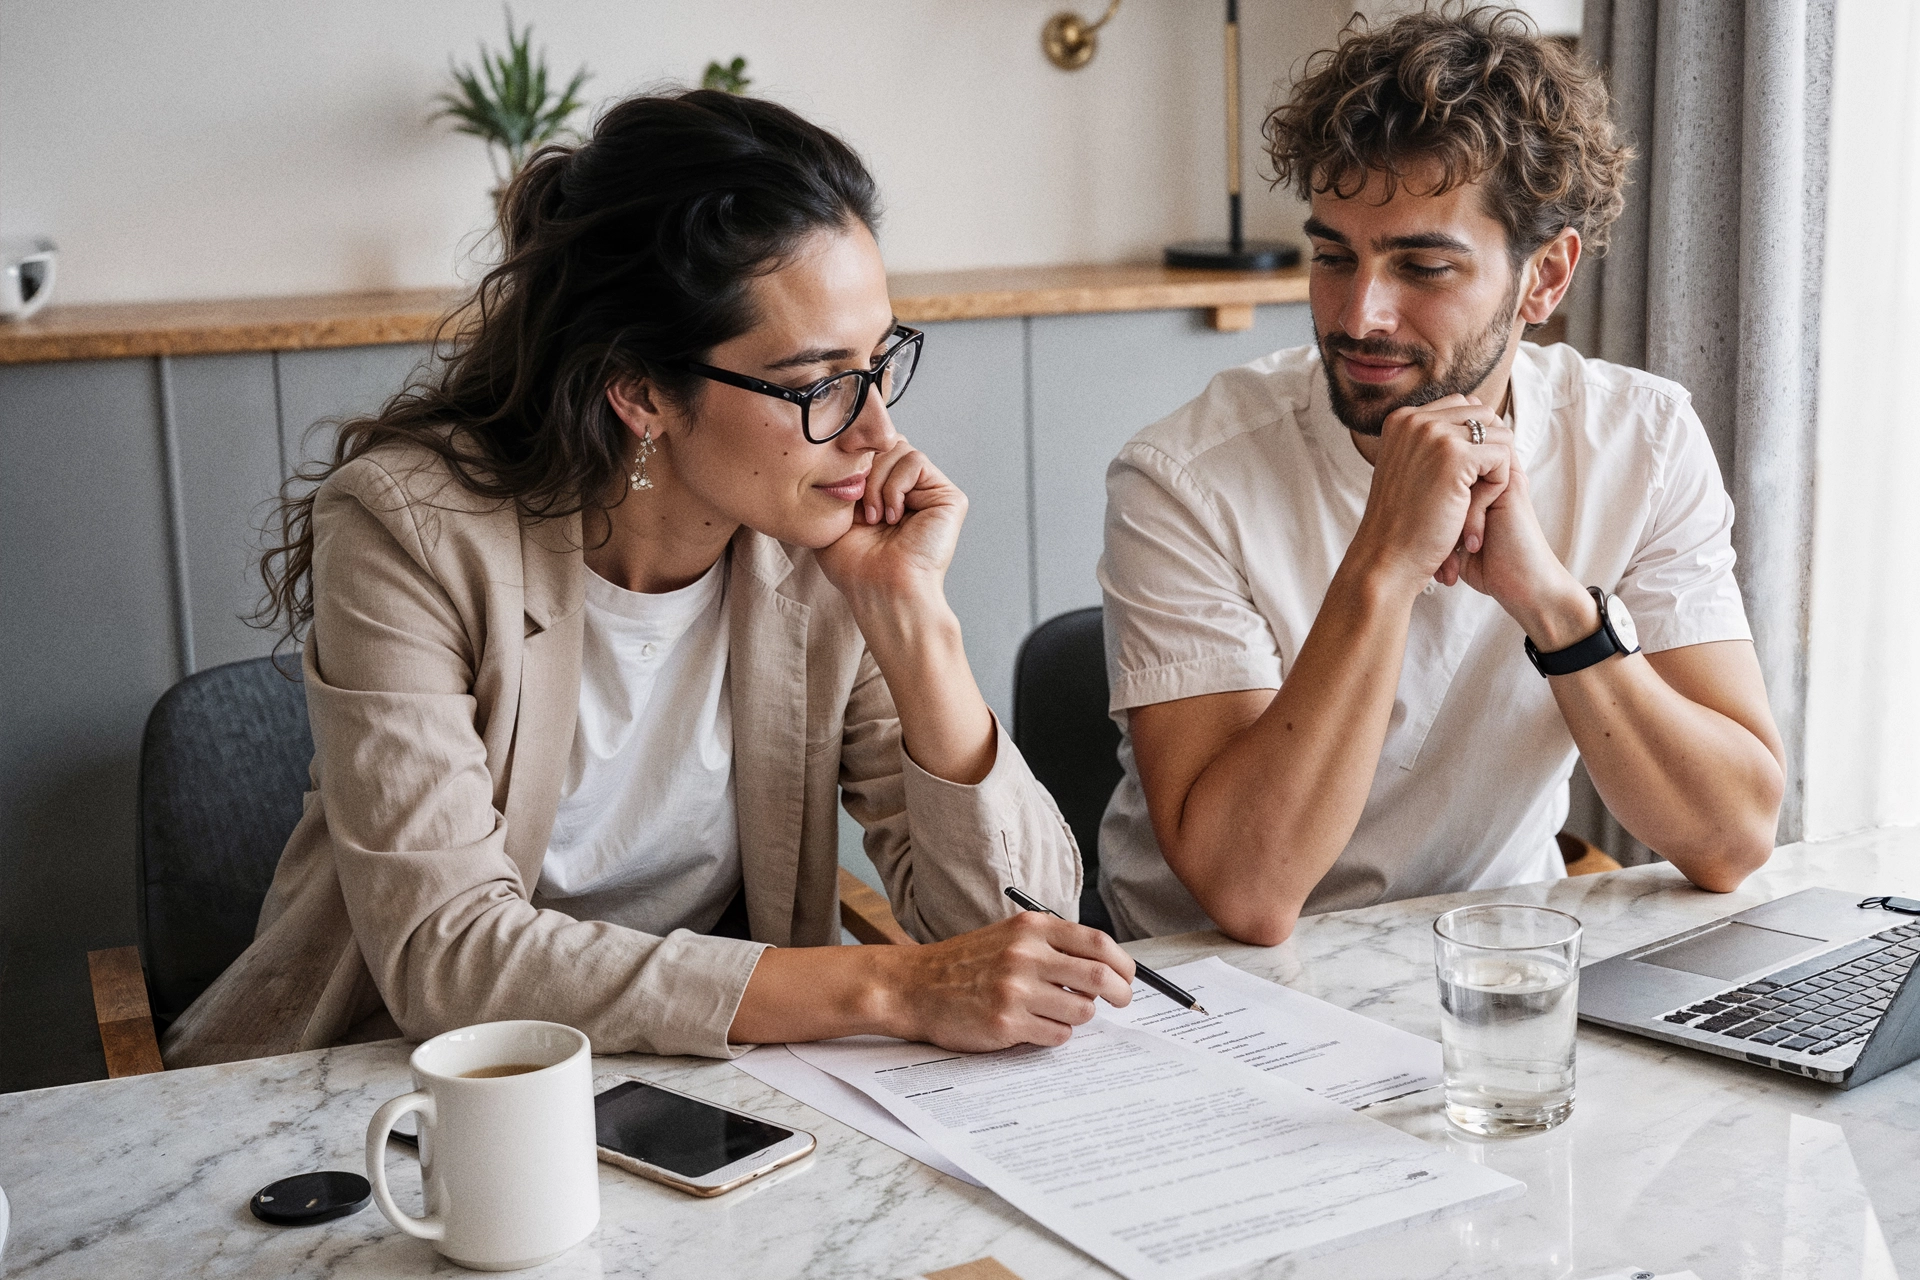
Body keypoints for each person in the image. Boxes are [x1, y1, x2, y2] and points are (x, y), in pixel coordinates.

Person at [163, 90, 1133, 1069]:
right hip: (385, 1090)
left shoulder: (819, 544)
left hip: (704, 1081)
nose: (878, 429)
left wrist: (913, 619)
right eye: (816, 384)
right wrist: (887, 986)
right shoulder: (407, 532)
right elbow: (446, 956)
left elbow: (1022, 926)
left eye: (879, 361)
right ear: (638, 390)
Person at [1096, 9, 1786, 945]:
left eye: (1422, 265)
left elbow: (1734, 837)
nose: (1360, 313)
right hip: (1212, 993)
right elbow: (1248, 893)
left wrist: (1553, 602)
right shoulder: (1181, 480)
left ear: (1543, 280)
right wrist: (1384, 561)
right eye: (1334, 257)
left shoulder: (1645, 440)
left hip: (1500, 955)